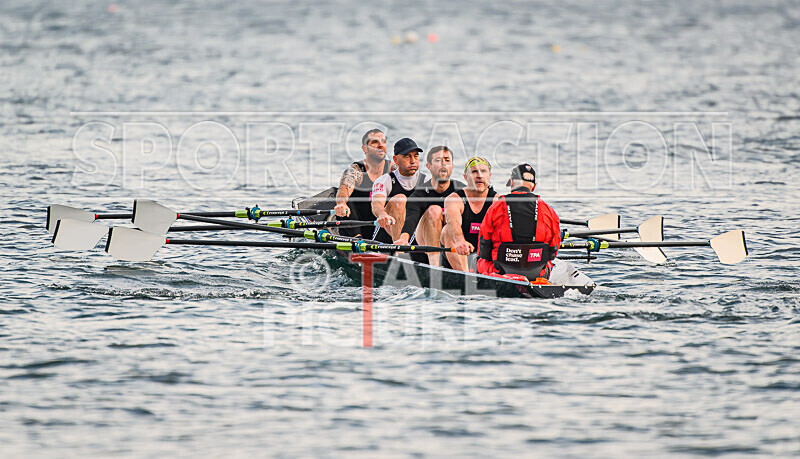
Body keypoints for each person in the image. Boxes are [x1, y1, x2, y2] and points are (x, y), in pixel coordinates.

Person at [476, 163, 561, 281]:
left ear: (511, 182)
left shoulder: (496, 207)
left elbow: (484, 249)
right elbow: (553, 252)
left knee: (479, 261)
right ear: (534, 186)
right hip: (537, 273)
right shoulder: (548, 210)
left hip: (501, 271)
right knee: (549, 264)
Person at [394, 146, 465, 266]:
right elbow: (411, 218)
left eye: (447, 161)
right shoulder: (419, 194)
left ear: (452, 166)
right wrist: (403, 239)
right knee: (435, 210)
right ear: (429, 166)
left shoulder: (462, 191)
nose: (443, 164)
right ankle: (435, 265)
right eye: (438, 161)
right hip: (423, 247)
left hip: (451, 243)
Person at [441, 156, 497, 272]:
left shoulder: (497, 201)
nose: (479, 175)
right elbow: (453, 222)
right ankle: (465, 276)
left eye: (483, 171)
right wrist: (459, 241)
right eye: (474, 172)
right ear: (465, 177)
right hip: (456, 251)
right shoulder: (454, 199)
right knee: (447, 230)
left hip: (483, 254)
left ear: (489, 176)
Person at [333, 129, 392, 237]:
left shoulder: (393, 169)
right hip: (357, 227)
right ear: (365, 149)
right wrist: (341, 204)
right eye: (375, 142)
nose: (380, 145)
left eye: (383, 142)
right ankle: (356, 239)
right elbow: (344, 188)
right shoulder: (355, 170)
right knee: (346, 198)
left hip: (383, 226)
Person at [370, 137, 426, 242]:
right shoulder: (384, 180)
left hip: (416, 238)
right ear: (396, 160)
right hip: (386, 238)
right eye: (407, 157)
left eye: (416, 156)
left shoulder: (427, 181)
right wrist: (382, 214)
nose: (413, 161)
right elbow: (376, 204)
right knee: (400, 199)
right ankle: (400, 251)